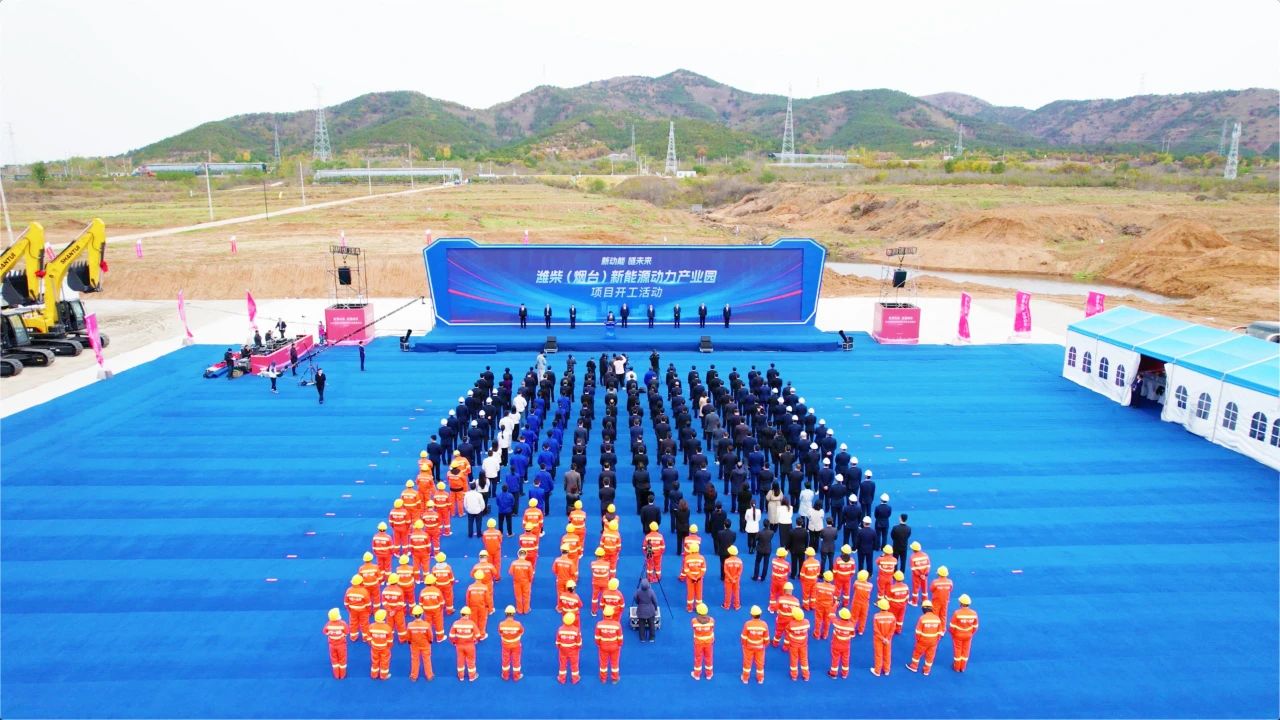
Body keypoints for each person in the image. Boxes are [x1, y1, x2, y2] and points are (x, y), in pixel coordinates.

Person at [905, 599, 944, 676]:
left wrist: (918, 640)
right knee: (930, 656)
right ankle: (926, 671)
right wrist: (936, 640)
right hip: (933, 642)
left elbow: (918, 632)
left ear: (923, 609)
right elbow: (940, 632)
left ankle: (914, 666)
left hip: (923, 641)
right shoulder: (937, 618)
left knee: (917, 653)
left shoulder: (922, 618)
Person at [449, 606, 480, 681]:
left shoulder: (455, 623)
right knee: (471, 661)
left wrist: (454, 642)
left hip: (459, 646)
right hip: (470, 645)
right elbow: (478, 635)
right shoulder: (471, 623)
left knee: (460, 660)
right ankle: (472, 677)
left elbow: (451, 635)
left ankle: (461, 676)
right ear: (468, 615)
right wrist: (475, 640)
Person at [950, 594, 980, 672]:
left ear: (961, 603)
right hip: (968, 635)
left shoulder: (957, 613)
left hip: (958, 635)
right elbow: (975, 626)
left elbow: (952, 626)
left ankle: (956, 667)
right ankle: (962, 667)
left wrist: (953, 634)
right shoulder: (974, 613)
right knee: (966, 651)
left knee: (958, 650)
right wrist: (970, 633)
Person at [740, 606, 769, 684]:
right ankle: (760, 679)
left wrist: (743, 644)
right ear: (760, 614)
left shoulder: (747, 624)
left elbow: (743, 637)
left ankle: (745, 678)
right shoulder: (764, 625)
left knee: (747, 662)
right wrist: (765, 645)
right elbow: (766, 638)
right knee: (760, 663)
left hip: (749, 647)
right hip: (760, 648)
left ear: (751, 614)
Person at [594, 605, 623, 683]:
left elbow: (597, 637)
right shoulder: (617, 625)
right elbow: (620, 637)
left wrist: (598, 644)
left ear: (604, 614)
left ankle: (603, 678)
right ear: (612, 614)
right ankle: (615, 678)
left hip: (603, 646)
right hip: (615, 646)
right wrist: (619, 645)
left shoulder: (599, 624)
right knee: (615, 663)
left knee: (603, 663)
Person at [406, 605, 435, 682]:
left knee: (415, 660)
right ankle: (429, 676)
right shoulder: (426, 625)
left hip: (414, 645)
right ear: (422, 614)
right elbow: (430, 635)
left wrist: (409, 641)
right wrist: (430, 640)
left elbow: (408, 636)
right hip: (425, 645)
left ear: (413, 615)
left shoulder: (410, 625)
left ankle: (413, 676)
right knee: (427, 659)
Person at [498, 605, 524, 681]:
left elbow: (500, 632)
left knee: (505, 659)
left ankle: (505, 675)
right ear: (514, 614)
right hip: (516, 645)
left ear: (506, 614)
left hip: (505, 645)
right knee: (516, 660)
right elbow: (521, 632)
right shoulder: (518, 624)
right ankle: (516, 676)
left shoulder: (501, 624)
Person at [555, 612, 583, 684]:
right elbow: (579, 643)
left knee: (562, 664)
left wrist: (560, 648)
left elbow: (558, 642)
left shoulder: (560, 629)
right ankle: (575, 679)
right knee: (574, 664)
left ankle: (562, 679)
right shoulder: (576, 630)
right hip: (573, 651)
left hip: (563, 650)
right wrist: (578, 648)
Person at [367, 608, 394, 680]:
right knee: (384, 661)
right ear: (384, 618)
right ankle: (383, 676)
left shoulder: (371, 626)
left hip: (374, 647)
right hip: (384, 648)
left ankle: (374, 675)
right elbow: (390, 640)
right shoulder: (387, 628)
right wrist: (389, 647)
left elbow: (368, 638)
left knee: (375, 661)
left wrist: (372, 644)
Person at [691, 603, 716, 680]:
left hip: (698, 643)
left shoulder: (694, 621)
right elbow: (712, 629)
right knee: (709, 657)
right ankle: (709, 674)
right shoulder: (712, 620)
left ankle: (697, 675)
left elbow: (694, 628)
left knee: (698, 658)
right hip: (709, 643)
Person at [828, 608, 855, 679]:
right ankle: (844, 674)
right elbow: (852, 635)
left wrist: (835, 605)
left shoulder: (836, 623)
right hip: (846, 646)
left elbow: (831, 615)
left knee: (835, 659)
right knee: (845, 659)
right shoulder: (851, 626)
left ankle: (833, 674)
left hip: (836, 645)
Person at [785, 608, 811, 681]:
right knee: (804, 659)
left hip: (793, 645)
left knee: (794, 660)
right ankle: (806, 676)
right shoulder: (807, 622)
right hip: (803, 645)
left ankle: (794, 676)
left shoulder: (791, 624)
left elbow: (787, 631)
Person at [870, 598, 894, 677]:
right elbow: (892, 629)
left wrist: (882, 638)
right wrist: (887, 638)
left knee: (878, 654)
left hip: (878, 639)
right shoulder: (892, 616)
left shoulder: (876, 616)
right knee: (887, 654)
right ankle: (887, 670)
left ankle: (877, 671)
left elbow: (875, 629)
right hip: (888, 640)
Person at [323, 608, 349, 679]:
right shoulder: (343, 623)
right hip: (341, 645)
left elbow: (324, 632)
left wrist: (330, 634)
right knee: (342, 659)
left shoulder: (328, 624)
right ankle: (342, 675)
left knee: (334, 659)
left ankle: (336, 675)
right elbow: (346, 632)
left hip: (331, 645)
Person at [682, 541, 707, 611]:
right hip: (699, 578)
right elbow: (703, 569)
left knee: (690, 593)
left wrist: (692, 577)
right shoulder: (702, 558)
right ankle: (699, 608)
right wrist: (698, 577)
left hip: (690, 579)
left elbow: (686, 570)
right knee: (699, 593)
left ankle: (690, 608)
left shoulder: (687, 558)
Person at [634, 578, 659, 642]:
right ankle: (652, 638)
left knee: (641, 625)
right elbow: (655, 601)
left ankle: (642, 638)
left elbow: (636, 600)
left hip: (641, 611)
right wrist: (655, 609)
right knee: (651, 625)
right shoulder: (651, 591)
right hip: (650, 611)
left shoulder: (638, 591)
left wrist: (639, 603)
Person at [930, 566, 953, 632]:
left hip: (936, 601)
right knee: (943, 615)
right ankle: (943, 629)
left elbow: (931, 589)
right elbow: (950, 589)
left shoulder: (935, 582)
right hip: (945, 601)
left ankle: (936, 629)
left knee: (935, 614)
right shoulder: (950, 582)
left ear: (938, 574)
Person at [908, 541, 931, 606]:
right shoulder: (925, 555)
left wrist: (920, 575)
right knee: (924, 588)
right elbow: (928, 566)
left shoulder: (912, 557)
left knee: (915, 588)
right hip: (925, 575)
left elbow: (913, 568)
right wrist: (925, 574)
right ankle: (925, 601)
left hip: (916, 576)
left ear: (913, 549)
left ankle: (914, 602)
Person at [888, 570, 910, 635]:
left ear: (894, 578)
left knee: (893, 617)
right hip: (903, 606)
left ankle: (892, 629)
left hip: (893, 606)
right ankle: (898, 629)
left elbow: (888, 599)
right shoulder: (906, 586)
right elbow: (907, 597)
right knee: (900, 618)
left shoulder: (892, 588)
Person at [851, 569, 872, 635]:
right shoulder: (870, 585)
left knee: (854, 617)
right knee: (863, 617)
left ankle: (852, 631)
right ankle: (861, 630)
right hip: (865, 604)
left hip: (856, 602)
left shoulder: (856, 583)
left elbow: (854, 588)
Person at [722, 545, 743, 610]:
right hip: (736, 580)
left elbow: (726, 571)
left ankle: (726, 605)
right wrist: (735, 578)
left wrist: (731, 578)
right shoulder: (740, 561)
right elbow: (740, 571)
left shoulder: (727, 561)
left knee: (728, 593)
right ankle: (737, 605)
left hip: (728, 580)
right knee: (736, 592)